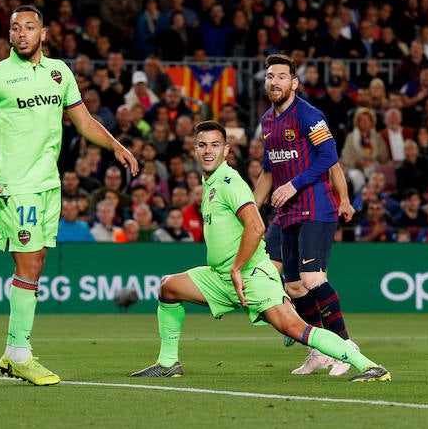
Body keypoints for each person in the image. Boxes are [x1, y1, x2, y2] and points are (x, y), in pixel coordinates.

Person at [130, 121, 389, 383]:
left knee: (295, 328)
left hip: (250, 276)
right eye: (202, 145)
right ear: (195, 150)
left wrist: (236, 268)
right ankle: (167, 363)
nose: (208, 151)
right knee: (169, 287)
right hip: (220, 277)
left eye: (215, 145)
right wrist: (229, 270)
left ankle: (369, 366)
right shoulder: (210, 182)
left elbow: (256, 226)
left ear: (226, 150)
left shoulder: (230, 182)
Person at [0, 5, 139, 386]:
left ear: (43, 33)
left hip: (48, 183)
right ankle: (19, 353)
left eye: (30, 27)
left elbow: (83, 121)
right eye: (16, 28)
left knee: (37, 263)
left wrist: (115, 146)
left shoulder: (59, 72)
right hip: (13, 183)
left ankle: (13, 348)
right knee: (28, 265)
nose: (23, 33)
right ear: (10, 35)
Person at [254, 54, 360, 376]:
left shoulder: (309, 115)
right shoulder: (267, 122)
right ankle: (319, 349)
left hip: (316, 207)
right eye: (271, 76)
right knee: (295, 287)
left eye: (282, 76)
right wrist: (250, 210)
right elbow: (268, 170)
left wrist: (297, 185)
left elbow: (329, 156)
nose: (275, 82)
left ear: (294, 83)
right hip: (287, 212)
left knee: (313, 279)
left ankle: (344, 345)